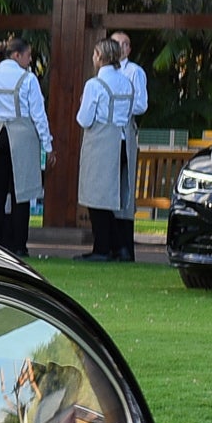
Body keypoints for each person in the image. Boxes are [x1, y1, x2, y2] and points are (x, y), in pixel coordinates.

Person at [75, 34, 147, 260]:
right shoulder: (126, 81)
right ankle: (119, 247)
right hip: (123, 139)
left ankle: (103, 248)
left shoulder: (94, 84)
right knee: (113, 195)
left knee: (96, 196)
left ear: (100, 57)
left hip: (101, 141)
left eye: (95, 54)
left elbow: (84, 119)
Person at [0, 33, 50, 255]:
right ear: (17, 55)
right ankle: (18, 245)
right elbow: (39, 115)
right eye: (28, 55)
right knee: (22, 193)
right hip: (22, 137)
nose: (30, 60)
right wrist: (48, 144)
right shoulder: (28, 80)